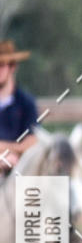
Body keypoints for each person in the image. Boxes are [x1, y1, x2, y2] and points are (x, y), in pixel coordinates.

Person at [0, 41, 38, 174]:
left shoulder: (26, 103)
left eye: (1, 65)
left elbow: (32, 141)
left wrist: (5, 149)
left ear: (12, 67)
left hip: (19, 169)